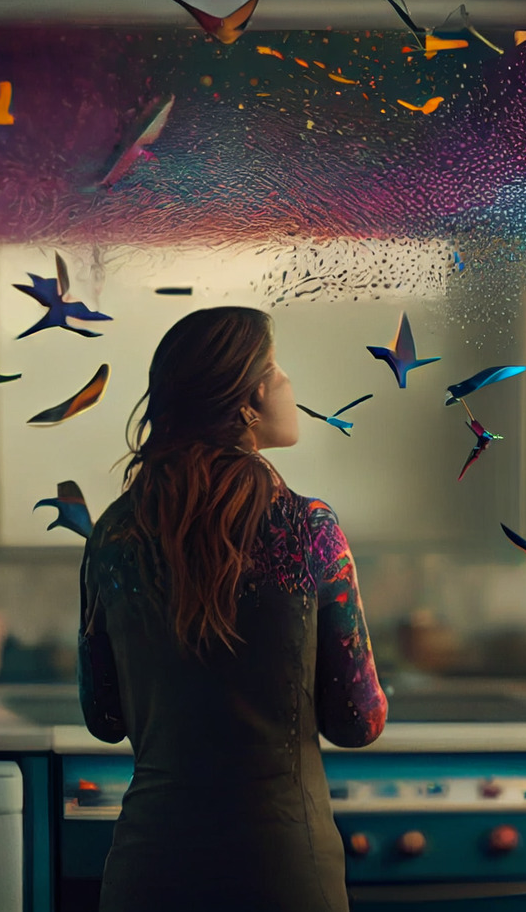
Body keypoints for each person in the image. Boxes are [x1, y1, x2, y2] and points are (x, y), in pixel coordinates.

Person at [78, 306, 387, 912]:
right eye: (277, 369)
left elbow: (105, 717)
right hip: (282, 870)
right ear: (250, 398)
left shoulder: (113, 535)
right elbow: (358, 721)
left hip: (150, 870)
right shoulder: (308, 528)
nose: (289, 383)